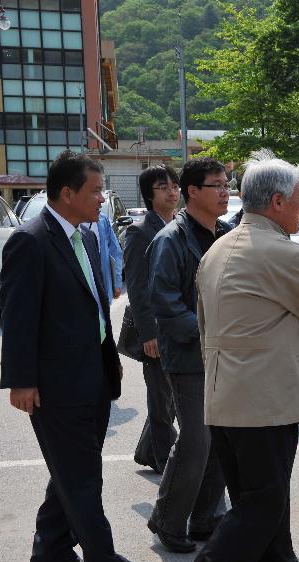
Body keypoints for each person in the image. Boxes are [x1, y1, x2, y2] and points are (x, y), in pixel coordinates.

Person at [192, 150, 299, 562]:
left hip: (222, 401)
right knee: (263, 507)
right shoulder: (282, 253)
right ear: (278, 202)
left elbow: (202, 324)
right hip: (262, 406)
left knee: (266, 509)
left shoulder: (217, 249)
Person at [0, 151, 138, 562]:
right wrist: (20, 380)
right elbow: (17, 317)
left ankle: (52, 551)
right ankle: (102, 556)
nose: (102, 199)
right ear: (65, 192)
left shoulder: (90, 236)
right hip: (55, 386)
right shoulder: (31, 240)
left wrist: (108, 357)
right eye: (95, 191)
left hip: (93, 376)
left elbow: (96, 305)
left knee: (71, 471)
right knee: (82, 479)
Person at [146, 157, 230, 553]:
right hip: (190, 357)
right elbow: (163, 301)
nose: (225, 191)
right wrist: (205, 336)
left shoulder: (228, 234)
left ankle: (204, 518)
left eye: (227, 183)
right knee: (196, 441)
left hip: (228, 355)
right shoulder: (170, 240)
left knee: (220, 441)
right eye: (216, 185)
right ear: (192, 191)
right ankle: (167, 520)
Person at [125, 165, 180, 474]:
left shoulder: (181, 225)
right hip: (156, 331)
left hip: (181, 328)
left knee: (170, 398)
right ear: (149, 194)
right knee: (161, 401)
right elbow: (136, 285)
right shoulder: (140, 231)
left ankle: (148, 451)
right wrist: (149, 334)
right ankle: (164, 463)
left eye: (174, 185)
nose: (172, 191)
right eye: (163, 187)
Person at [88, 210, 123, 303]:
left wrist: (116, 282)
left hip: (102, 287)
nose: (101, 199)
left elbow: (115, 251)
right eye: (95, 194)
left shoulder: (102, 219)